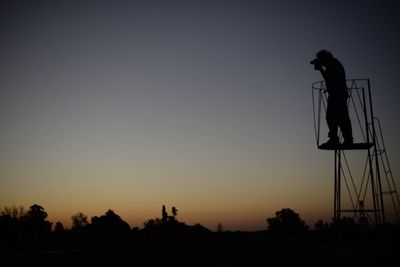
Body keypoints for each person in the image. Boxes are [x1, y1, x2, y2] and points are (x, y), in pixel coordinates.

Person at [311, 50, 353, 148]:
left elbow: (328, 78)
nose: (321, 63)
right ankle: (343, 139)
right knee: (338, 117)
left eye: (321, 60)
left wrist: (320, 69)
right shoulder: (333, 63)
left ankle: (339, 139)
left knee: (335, 117)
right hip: (337, 94)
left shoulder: (332, 64)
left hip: (337, 94)